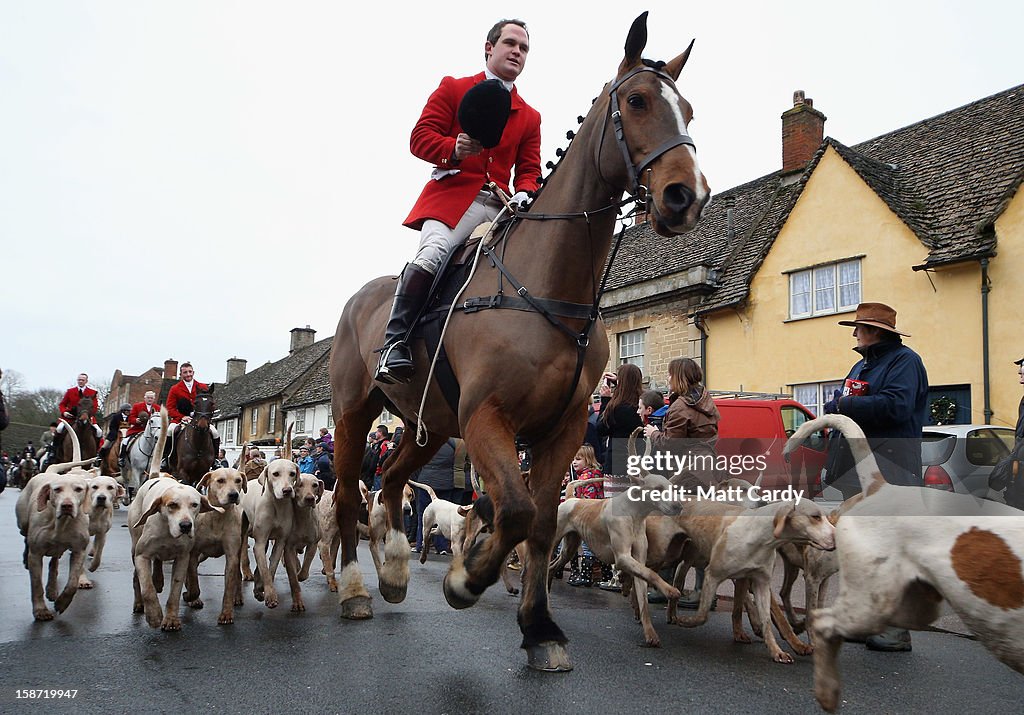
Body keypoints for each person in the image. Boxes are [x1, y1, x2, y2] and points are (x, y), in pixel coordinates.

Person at [374, 18, 542, 384]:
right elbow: (419, 138)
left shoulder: (530, 116)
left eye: (524, 48)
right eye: (510, 43)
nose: (517, 51)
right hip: (453, 198)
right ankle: (394, 343)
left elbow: (529, 169)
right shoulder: (454, 88)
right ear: (489, 48)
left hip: (501, 206)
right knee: (433, 253)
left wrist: (527, 189)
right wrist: (453, 148)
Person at [822, 302, 928, 652]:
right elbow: (851, 405)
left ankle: (896, 628)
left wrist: (843, 405)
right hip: (859, 468)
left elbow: (896, 406)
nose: (854, 333)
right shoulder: (864, 363)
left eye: (859, 327)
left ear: (876, 331)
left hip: (890, 465)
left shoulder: (905, 362)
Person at [643, 357, 720, 608]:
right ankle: (703, 590)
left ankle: (667, 587)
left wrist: (654, 434)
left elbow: (670, 445)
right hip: (706, 469)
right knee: (700, 528)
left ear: (678, 377)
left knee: (673, 525)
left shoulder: (680, 407)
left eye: (669, 374)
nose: (667, 378)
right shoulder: (706, 400)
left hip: (685, 471)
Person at [560, 444, 605, 587]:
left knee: (587, 546)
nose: (574, 462)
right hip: (597, 515)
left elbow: (587, 501)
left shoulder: (587, 478)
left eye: (578, 459)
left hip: (588, 517)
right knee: (595, 546)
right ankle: (604, 575)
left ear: (588, 459)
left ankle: (585, 575)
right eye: (573, 459)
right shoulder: (593, 474)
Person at [411, 438, 462, 554]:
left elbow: (418, 462)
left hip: (427, 480)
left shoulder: (427, 443)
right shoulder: (455, 444)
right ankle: (442, 547)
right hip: (446, 481)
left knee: (423, 515)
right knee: (443, 515)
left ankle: (421, 544)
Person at [164, 362, 220, 466]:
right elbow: (170, 408)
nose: (188, 374)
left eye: (190, 371)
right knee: (170, 431)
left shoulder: (202, 386)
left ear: (193, 372)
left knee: (215, 432)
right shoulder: (175, 389)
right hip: (180, 419)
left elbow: (209, 404)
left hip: (200, 419)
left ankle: (215, 459)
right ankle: (166, 458)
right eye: (185, 372)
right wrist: (182, 417)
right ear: (181, 374)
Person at [596, 364, 645, 476]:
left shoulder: (617, 408)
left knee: (616, 494)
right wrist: (618, 382)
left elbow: (601, 429)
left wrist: (605, 401)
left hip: (617, 462)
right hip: (639, 461)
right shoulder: (642, 403)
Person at [54, 372, 102, 453]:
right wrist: (64, 412)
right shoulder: (70, 391)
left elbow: (95, 406)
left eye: (82, 380)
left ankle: (96, 452)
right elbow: (62, 404)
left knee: (99, 432)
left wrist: (88, 414)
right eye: (79, 380)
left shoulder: (92, 392)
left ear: (86, 381)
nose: (80, 381)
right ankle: (54, 450)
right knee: (59, 429)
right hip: (70, 417)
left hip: (87, 416)